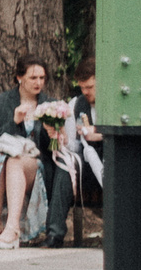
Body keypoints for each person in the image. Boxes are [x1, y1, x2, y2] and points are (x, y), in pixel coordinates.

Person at [0, 58, 51, 249]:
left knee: (14, 161)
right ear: (20, 77)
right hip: (5, 161)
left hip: (36, 164)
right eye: (33, 78)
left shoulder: (49, 104)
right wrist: (14, 122)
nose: (38, 82)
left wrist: (51, 132)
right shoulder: (1, 101)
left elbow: (49, 148)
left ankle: (12, 229)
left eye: (42, 78)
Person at [41, 72, 102, 247]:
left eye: (90, 87)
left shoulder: (116, 104)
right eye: (82, 87)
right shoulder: (76, 103)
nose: (85, 92)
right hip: (87, 166)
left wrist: (99, 135)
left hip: (112, 164)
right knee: (66, 164)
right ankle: (54, 234)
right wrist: (64, 138)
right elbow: (74, 148)